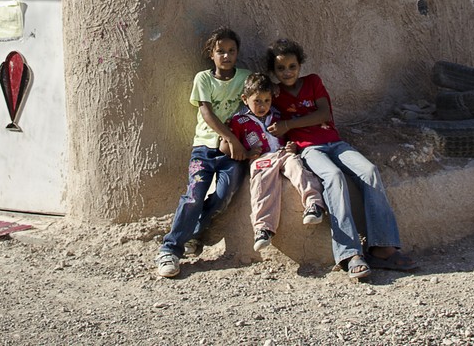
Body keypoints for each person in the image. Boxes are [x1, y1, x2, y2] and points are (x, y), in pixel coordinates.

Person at [264, 37, 418, 281]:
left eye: (292, 66)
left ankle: (382, 247)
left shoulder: (313, 82)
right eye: (280, 68)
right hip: (309, 149)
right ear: (273, 70)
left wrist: (288, 124)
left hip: (335, 142)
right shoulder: (274, 94)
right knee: (333, 177)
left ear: (300, 65)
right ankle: (349, 253)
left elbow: (324, 113)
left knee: (369, 171)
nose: (287, 72)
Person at [156, 27, 251, 278]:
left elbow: (255, 103)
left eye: (231, 51)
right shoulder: (203, 79)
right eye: (220, 51)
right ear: (211, 53)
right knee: (193, 195)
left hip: (232, 153)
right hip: (205, 149)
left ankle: (194, 232)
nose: (226, 56)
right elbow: (207, 114)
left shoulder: (245, 77)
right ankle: (170, 249)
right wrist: (231, 138)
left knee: (224, 194)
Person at [220, 72, 326, 252]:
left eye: (267, 101)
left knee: (297, 167)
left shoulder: (276, 115)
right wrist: (245, 154)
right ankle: (263, 228)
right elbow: (224, 146)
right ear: (245, 99)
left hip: (282, 153)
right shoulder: (239, 120)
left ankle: (314, 204)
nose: (263, 106)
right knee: (262, 183)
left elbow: (290, 135)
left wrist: (292, 147)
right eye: (257, 101)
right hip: (261, 159)